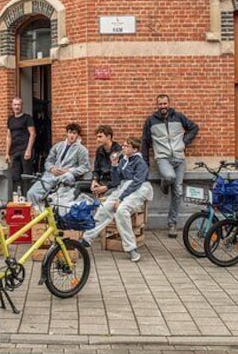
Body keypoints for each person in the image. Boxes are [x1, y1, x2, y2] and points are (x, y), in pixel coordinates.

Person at [81, 137, 153, 262]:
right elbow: (115, 181)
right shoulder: (123, 161)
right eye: (123, 145)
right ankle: (87, 238)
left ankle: (131, 249)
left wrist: (120, 198)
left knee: (121, 211)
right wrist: (114, 165)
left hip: (138, 190)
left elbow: (136, 183)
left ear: (134, 149)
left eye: (126, 146)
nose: (123, 148)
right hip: (122, 188)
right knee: (104, 208)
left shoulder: (140, 163)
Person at [142, 94, 199, 238]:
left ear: (169, 103)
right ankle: (164, 183)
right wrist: (145, 164)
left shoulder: (179, 117)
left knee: (178, 191)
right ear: (157, 105)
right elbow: (145, 142)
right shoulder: (151, 121)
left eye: (165, 103)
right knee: (169, 176)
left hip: (179, 158)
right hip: (163, 158)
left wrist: (184, 143)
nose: (163, 106)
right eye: (160, 104)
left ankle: (172, 224)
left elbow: (194, 128)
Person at [26, 123, 90, 210]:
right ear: (67, 133)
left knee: (66, 179)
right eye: (70, 132)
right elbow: (48, 161)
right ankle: (38, 212)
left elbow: (85, 167)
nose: (72, 135)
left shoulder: (82, 150)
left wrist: (69, 171)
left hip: (65, 177)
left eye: (74, 133)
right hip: (51, 175)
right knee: (31, 193)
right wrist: (52, 168)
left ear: (77, 135)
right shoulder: (58, 146)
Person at [5, 96, 36, 196]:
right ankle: (17, 197)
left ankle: (28, 197)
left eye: (18, 104)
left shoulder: (27, 118)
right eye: (15, 104)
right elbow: (9, 136)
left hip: (25, 150)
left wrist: (29, 150)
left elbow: (32, 134)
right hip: (14, 151)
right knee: (15, 176)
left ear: (22, 106)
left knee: (26, 176)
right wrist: (6, 153)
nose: (17, 107)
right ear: (12, 106)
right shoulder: (10, 119)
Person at [91, 124, 122, 198]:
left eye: (100, 137)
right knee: (78, 186)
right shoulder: (99, 150)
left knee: (104, 197)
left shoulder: (118, 151)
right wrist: (94, 181)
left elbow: (120, 176)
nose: (98, 139)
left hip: (114, 184)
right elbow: (96, 170)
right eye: (97, 137)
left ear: (108, 136)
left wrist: (106, 187)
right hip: (102, 181)